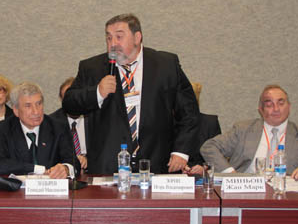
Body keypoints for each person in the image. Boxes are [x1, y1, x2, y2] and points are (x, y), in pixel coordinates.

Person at [62, 13, 199, 174]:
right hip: (108, 168)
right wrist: (97, 93)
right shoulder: (92, 68)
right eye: (109, 38)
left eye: (119, 37)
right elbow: (69, 104)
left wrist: (181, 151)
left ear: (137, 37)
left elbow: (189, 112)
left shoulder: (166, 65)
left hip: (157, 164)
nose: (113, 44)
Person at [200, 85, 298, 180]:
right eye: (269, 105)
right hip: (246, 190)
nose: (276, 109)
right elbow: (209, 147)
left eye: (281, 103)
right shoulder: (243, 129)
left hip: (284, 190)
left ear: (289, 107)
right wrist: (230, 173)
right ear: (261, 110)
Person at [0, 82, 75, 178]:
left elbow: (74, 162)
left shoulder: (58, 127)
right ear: (16, 110)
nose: (36, 111)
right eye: (28, 106)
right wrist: (36, 169)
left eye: (39, 104)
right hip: (17, 187)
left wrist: (66, 168)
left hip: (51, 186)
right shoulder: (2, 130)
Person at [49, 77, 88, 173]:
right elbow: (51, 156)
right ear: (61, 100)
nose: (72, 104)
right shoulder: (52, 122)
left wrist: (87, 159)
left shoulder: (94, 118)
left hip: (93, 172)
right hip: (65, 174)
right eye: (68, 100)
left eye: (76, 99)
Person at [184, 82, 222, 175]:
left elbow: (218, 155)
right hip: (172, 178)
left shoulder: (210, 123)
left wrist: (205, 169)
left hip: (202, 177)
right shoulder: (165, 124)